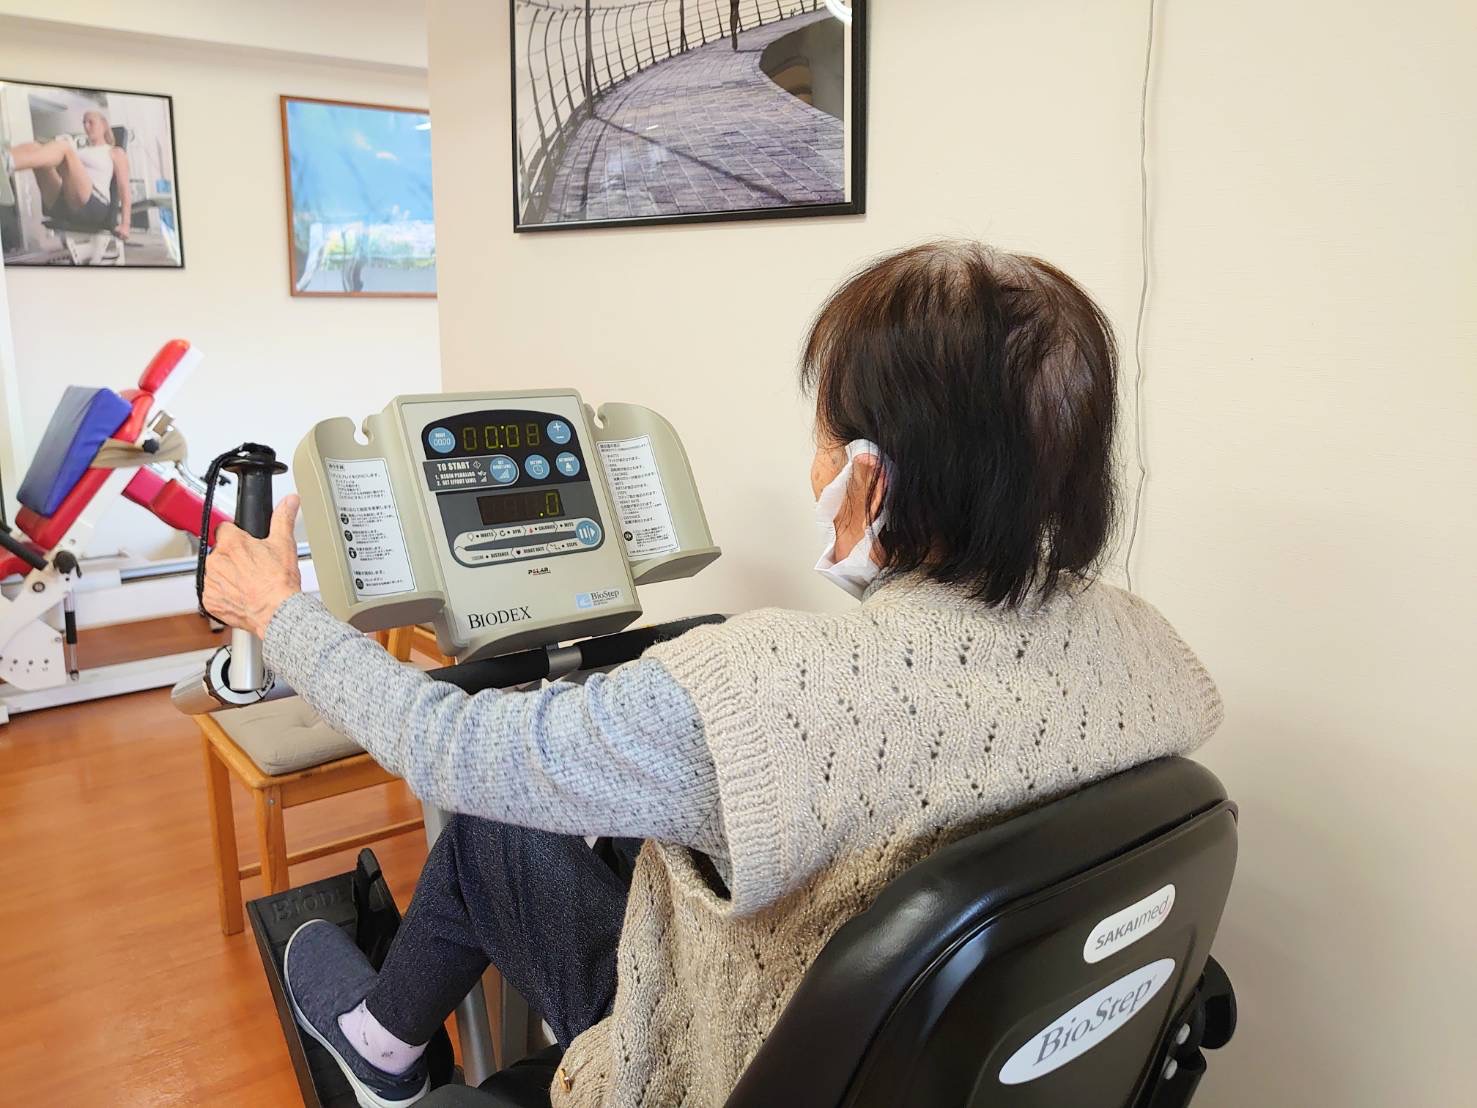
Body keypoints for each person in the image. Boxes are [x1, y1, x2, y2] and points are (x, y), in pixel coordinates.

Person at [203, 241, 1224, 1108]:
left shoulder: (764, 687)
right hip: (926, 1060)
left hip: (714, 1065)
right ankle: (389, 1033)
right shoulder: (1141, 647)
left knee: (491, 823)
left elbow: (452, 747)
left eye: (825, 438)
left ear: (867, 478)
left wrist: (274, 612)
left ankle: (379, 1048)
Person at [0, 109, 131, 242]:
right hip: (67, 201)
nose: (86, 126)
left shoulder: (115, 152)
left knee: (65, 147)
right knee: (35, 146)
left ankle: (7, 162)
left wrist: (125, 224)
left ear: (103, 125)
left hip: (95, 205)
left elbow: (124, 188)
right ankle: (5, 156)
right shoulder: (80, 150)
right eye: (84, 123)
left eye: (91, 122)